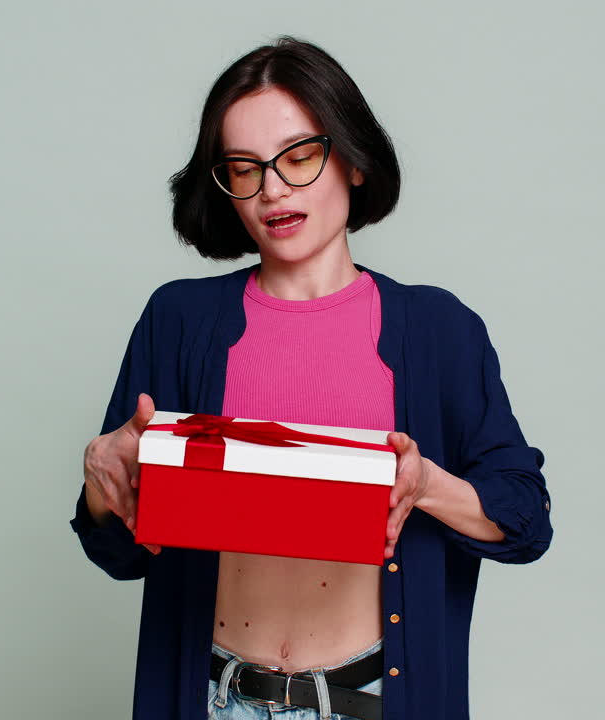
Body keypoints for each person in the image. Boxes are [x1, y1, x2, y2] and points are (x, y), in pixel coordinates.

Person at [72, 37, 553, 720]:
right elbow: (118, 552)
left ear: (353, 160)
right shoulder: (180, 320)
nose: (273, 190)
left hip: (374, 701)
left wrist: (424, 486)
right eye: (244, 169)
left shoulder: (439, 329)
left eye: (299, 158)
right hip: (216, 697)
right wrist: (102, 487)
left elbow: (526, 520)